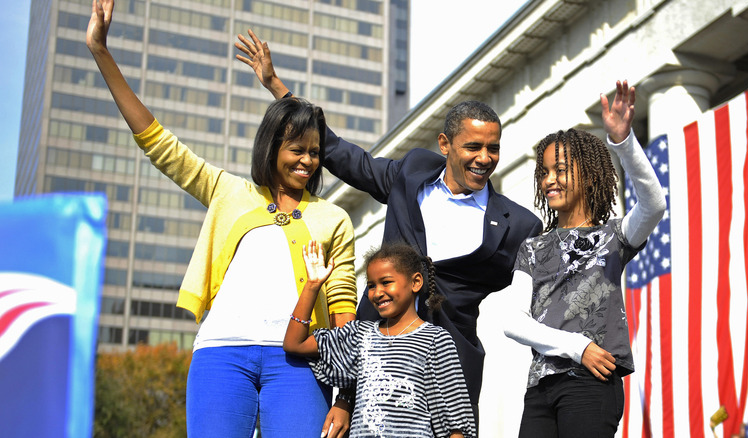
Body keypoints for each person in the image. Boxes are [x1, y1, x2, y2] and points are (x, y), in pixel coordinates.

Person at [234, 31, 544, 424]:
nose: (485, 158)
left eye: (493, 148)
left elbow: (553, 280)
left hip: (451, 368)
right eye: (473, 147)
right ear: (445, 144)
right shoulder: (411, 174)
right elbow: (344, 155)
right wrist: (277, 87)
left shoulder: (518, 225)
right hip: (375, 360)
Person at [86, 2, 357, 437]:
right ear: (272, 147)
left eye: (314, 152)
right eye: (296, 149)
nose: (307, 160)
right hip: (222, 355)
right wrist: (101, 51)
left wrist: (345, 399)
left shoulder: (334, 219)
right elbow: (158, 143)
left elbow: (344, 313)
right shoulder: (228, 192)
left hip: (300, 364)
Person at [503, 81, 667, 437]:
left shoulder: (614, 237)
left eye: (560, 170)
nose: (550, 180)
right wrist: (578, 346)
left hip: (593, 384)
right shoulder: (532, 249)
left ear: (589, 176)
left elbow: (654, 205)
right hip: (540, 389)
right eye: (544, 172)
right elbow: (513, 323)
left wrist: (624, 143)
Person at [284, 241, 476, 438]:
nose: (376, 293)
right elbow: (294, 344)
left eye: (386, 282)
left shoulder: (435, 339)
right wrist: (313, 285)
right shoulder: (359, 334)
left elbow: (454, 417)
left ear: (415, 282)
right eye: (371, 285)